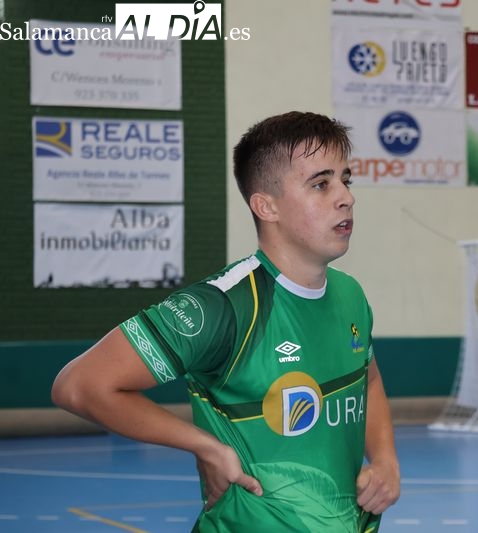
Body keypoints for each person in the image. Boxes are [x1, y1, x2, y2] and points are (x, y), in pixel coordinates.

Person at [51, 111, 401, 532]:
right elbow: (79, 386)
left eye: (346, 179)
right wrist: (204, 445)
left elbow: (369, 380)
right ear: (266, 206)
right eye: (321, 184)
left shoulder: (350, 295)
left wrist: (385, 459)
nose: (346, 197)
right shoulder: (223, 305)